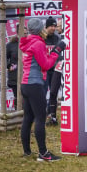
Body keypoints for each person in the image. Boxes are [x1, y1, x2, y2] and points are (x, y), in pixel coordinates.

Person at [20, 18, 64, 161]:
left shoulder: (27, 41)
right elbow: (46, 65)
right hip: (35, 84)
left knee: (28, 118)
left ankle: (27, 151)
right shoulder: (38, 43)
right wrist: (57, 50)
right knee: (40, 118)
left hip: (25, 84)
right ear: (40, 29)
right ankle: (43, 154)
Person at [44, 16, 63, 126]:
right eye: (51, 26)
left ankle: (52, 115)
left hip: (54, 69)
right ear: (46, 27)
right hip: (44, 69)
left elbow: (60, 54)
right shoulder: (42, 38)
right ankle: (42, 114)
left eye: (55, 26)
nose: (53, 28)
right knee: (42, 93)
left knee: (53, 93)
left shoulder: (57, 38)